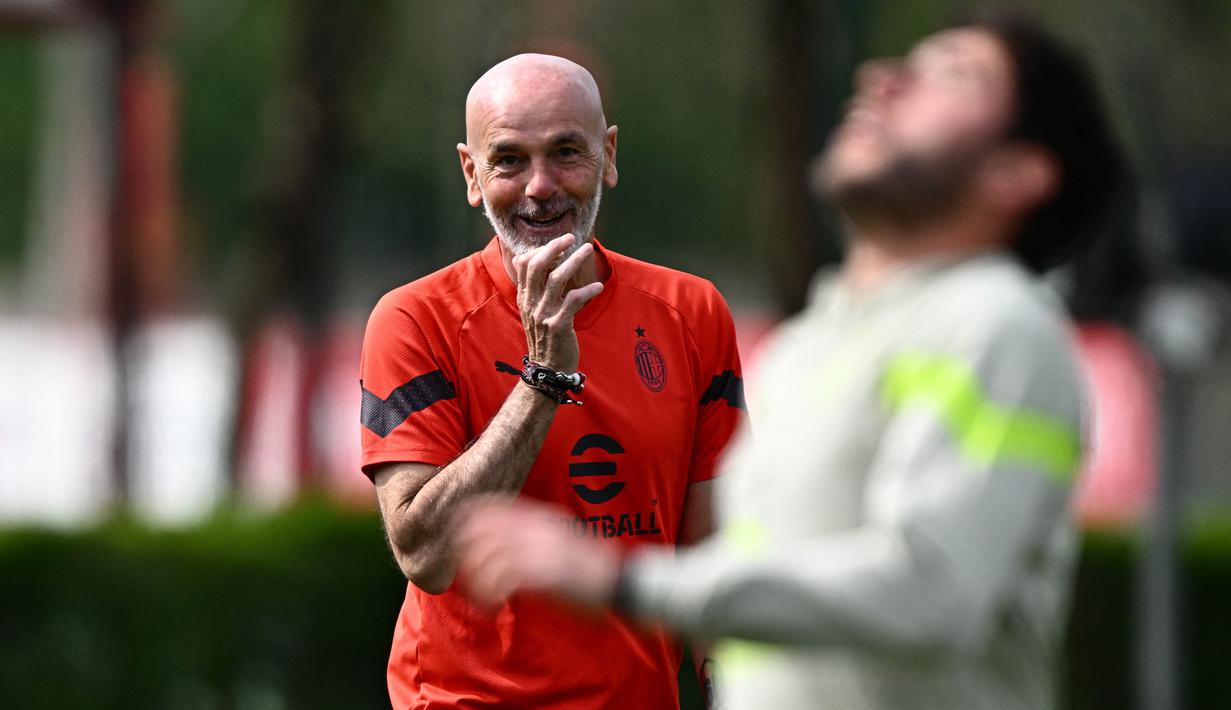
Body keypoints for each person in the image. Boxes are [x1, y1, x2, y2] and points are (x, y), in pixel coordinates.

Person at [457, 12, 1123, 710]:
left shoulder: (1000, 324)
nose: (883, 78)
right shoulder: (813, 342)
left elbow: (931, 591)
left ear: (1015, 173)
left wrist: (625, 583)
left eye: (951, 76)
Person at [359, 53, 744, 709]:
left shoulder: (693, 313)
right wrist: (542, 378)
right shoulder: (414, 319)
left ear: (609, 156)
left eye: (566, 152)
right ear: (470, 174)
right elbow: (426, 554)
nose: (540, 186)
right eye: (508, 159)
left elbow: (715, 552)